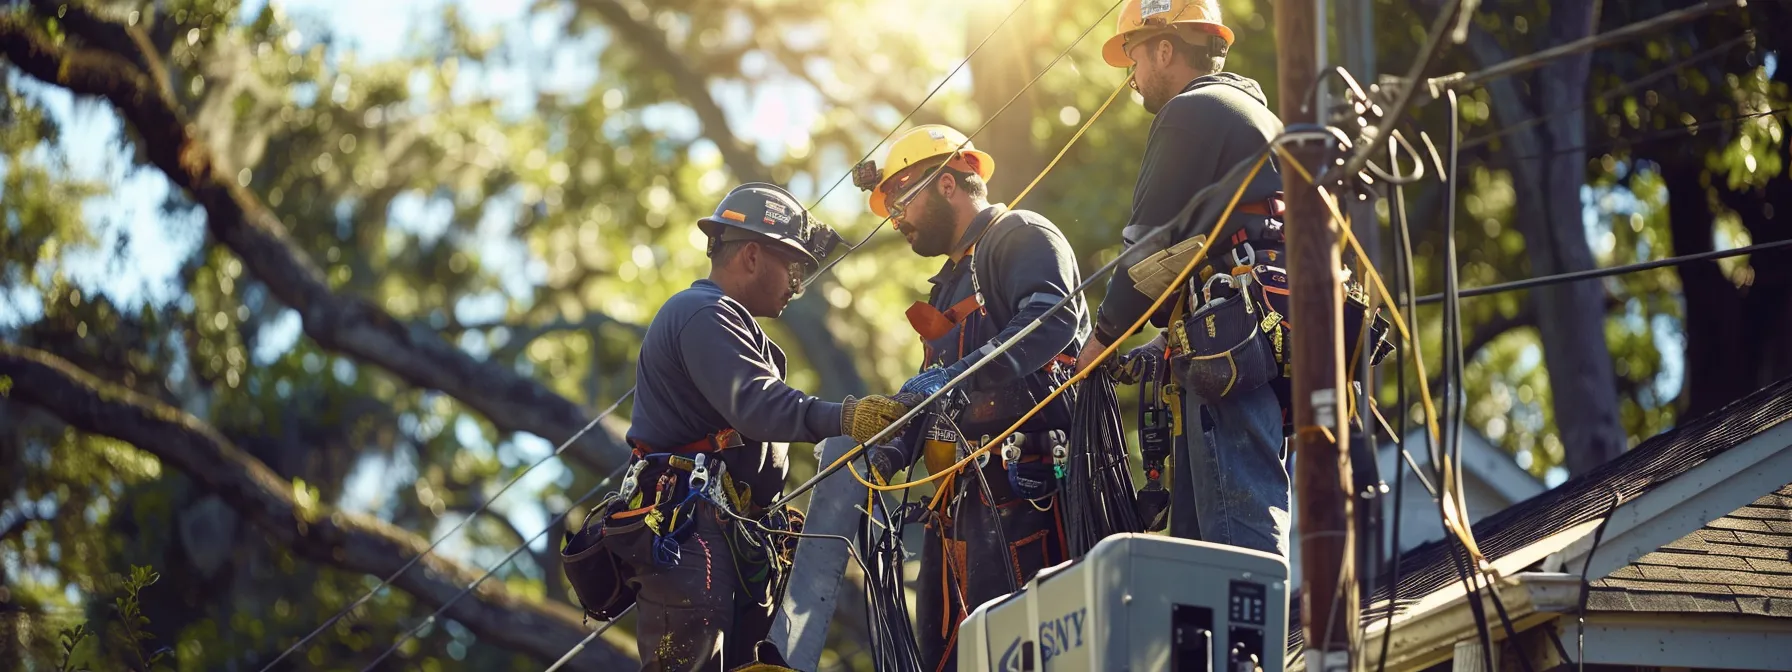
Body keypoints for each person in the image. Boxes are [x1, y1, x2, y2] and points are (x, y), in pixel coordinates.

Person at [562, 183, 916, 672]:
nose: (797, 285)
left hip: (733, 537)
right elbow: (757, 405)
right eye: (793, 268)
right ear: (751, 255)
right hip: (688, 536)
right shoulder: (701, 313)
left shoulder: (739, 329)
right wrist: (844, 417)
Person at [852, 124, 1090, 670]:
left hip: (1023, 491)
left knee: (1019, 648)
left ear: (945, 184)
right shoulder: (952, 281)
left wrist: (956, 377)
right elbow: (937, 381)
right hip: (961, 506)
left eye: (900, 203)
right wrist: (891, 452)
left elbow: (1051, 319)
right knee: (951, 656)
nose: (897, 222)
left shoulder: (1020, 235)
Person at [1071, 0, 1295, 557]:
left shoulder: (1191, 112)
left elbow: (1147, 247)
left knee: (1233, 527)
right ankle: (1223, 641)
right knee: (1198, 538)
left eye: (1135, 60)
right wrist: (1164, 340)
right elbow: (1211, 244)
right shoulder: (1247, 112)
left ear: (1166, 49)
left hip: (1233, 340)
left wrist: (1100, 342)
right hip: (1247, 330)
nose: (1132, 79)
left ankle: (1246, 645)